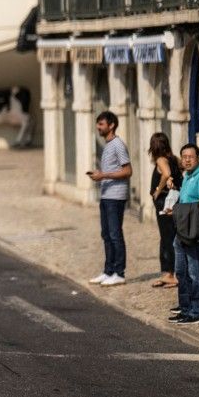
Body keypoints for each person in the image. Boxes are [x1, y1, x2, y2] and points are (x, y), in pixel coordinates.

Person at [88, 110, 131, 286]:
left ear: (111, 125)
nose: (98, 127)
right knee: (106, 234)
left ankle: (119, 273)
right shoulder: (107, 145)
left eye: (101, 124)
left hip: (116, 197)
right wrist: (100, 175)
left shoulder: (118, 145)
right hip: (106, 196)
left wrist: (103, 175)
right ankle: (108, 270)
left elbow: (128, 171)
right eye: (98, 124)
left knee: (115, 234)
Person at [170, 144, 199, 324]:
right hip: (181, 230)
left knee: (194, 271)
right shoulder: (187, 175)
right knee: (181, 271)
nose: (187, 159)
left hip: (194, 231)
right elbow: (184, 201)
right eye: (184, 156)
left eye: (191, 156)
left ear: (198, 157)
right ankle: (185, 308)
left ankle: (198, 310)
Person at [148, 132, 182, 289]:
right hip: (174, 202)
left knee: (167, 237)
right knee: (169, 237)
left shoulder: (161, 159)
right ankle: (168, 273)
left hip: (165, 203)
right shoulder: (174, 159)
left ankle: (173, 274)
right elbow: (176, 172)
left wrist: (158, 189)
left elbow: (167, 173)